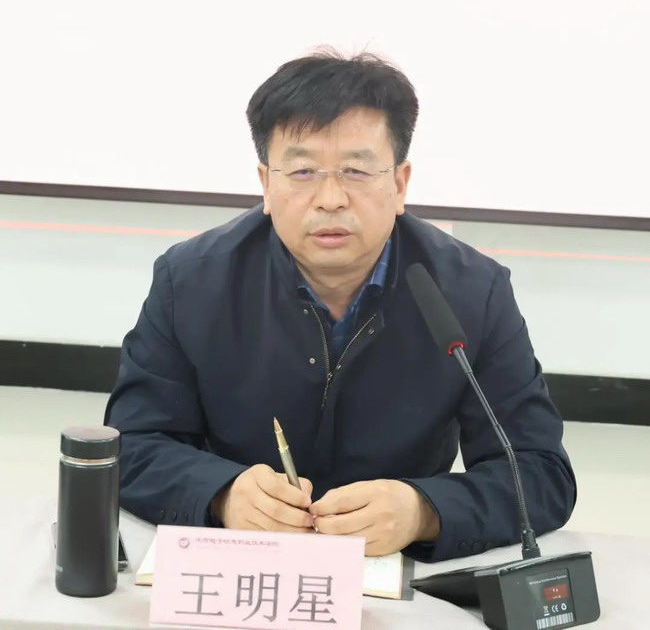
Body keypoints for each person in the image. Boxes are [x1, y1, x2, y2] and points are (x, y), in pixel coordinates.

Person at [104, 50, 576, 563]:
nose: (330, 198)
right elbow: (131, 446)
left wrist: (425, 510)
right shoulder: (192, 280)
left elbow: (540, 472)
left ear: (399, 184)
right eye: (303, 171)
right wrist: (222, 493)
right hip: (241, 560)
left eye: (356, 170)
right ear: (266, 184)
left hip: (395, 566)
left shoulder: (472, 292)